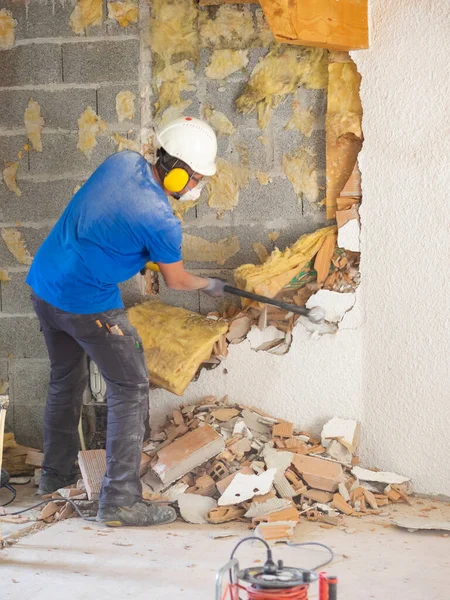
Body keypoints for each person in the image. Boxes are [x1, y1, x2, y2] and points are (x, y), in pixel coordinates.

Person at [26, 117, 226, 527]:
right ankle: (119, 500)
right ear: (174, 172)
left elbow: (107, 220)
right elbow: (176, 279)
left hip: (45, 285)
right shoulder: (161, 220)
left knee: (65, 380)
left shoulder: (122, 162)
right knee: (130, 386)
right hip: (85, 303)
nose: (196, 188)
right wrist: (209, 284)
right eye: (195, 179)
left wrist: (138, 253)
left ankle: (55, 475)